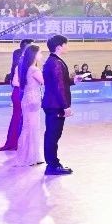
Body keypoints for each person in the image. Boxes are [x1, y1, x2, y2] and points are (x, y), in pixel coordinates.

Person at [0, 38, 33, 152]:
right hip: (21, 91)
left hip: (19, 91)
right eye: (31, 47)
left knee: (19, 118)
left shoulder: (21, 63)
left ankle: (15, 143)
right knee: (19, 118)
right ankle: (15, 143)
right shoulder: (22, 63)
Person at [41, 34, 73, 176]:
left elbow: (61, 82)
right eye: (66, 44)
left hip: (52, 104)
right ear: (59, 46)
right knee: (53, 135)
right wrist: (66, 106)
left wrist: (73, 80)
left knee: (52, 134)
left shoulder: (53, 61)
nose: (67, 46)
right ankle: (52, 165)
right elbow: (58, 86)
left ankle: (53, 164)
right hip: (55, 105)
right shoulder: (56, 62)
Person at [14, 44, 45, 167]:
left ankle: (29, 156)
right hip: (33, 100)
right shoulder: (34, 69)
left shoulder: (26, 68)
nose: (41, 55)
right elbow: (45, 81)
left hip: (27, 99)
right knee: (32, 128)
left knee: (28, 127)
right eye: (40, 52)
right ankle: (31, 157)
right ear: (34, 55)